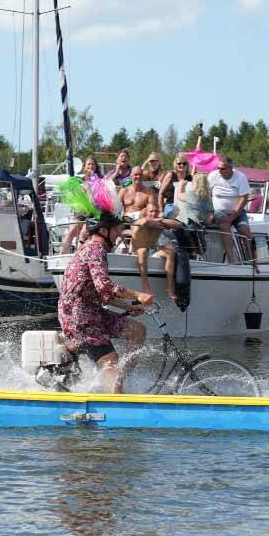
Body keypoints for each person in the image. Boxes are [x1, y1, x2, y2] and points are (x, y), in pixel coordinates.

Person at [58, 212, 154, 394]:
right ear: (103, 231)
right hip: (82, 317)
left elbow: (100, 293)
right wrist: (138, 294)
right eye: (116, 230)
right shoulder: (96, 249)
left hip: (89, 311)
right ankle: (115, 392)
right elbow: (105, 286)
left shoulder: (89, 247)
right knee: (110, 362)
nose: (119, 235)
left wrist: (129, 306)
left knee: (137, 331)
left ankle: (119, 380)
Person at [208, 157, 254, 265]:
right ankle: (231, 261)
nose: (219, 171)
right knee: (224, 224)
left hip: (237, 211)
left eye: (223, 169)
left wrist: (233, 215)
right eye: (218, 168)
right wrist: (210, 211)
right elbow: (206, 194)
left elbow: (244, 198)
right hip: (219, 211)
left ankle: (251, 261)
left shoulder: (240, 177)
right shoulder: (213, 176)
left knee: (245, 231)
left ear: (230, 168)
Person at [131, 203, 182, 300]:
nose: (154, 213)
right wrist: (152, 221)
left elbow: (178, 225)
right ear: (146, 212)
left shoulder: (159, 222)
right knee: (143, 250)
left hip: (151, 253)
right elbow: (142, 222)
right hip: (136, 253)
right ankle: (145, 286)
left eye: (156, 211)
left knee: (170, 251)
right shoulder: (140, 220)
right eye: (151, 211)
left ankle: (170, 286)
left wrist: (161, 220)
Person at [61, 156, 103, 254]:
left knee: (83, 233)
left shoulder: (100, 181)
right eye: (89, 164)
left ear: (96, 166)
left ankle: (78, 256)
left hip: (94, 213)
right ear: (84, 167)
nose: (91, 166)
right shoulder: (79, 181)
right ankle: (61, 255)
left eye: (93, 164)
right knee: (71, 232)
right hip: (81, 212)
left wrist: (90, 187)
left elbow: (99, 199)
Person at [158, 153, 192, 217]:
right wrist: (161, 211)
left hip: (185, 206)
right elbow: (161, 193)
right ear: (175, 165)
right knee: (174, 213)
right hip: (171, 205)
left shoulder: (190, 178)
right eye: (179, 163)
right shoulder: (170, 175)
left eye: (184, 163)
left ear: (187, 165)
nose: (182, 165)